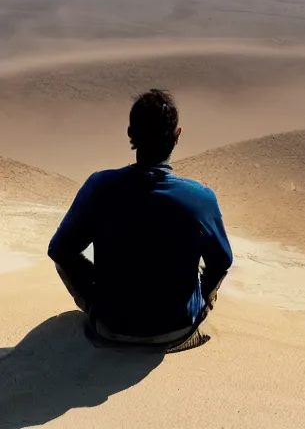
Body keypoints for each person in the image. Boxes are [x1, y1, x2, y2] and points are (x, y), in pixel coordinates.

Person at [48, 89, 233, 347]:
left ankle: (100, 311)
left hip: (109, 326)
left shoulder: (99, 187)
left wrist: (97, 291)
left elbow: (59, 250)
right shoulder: (201, 198)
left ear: (130, 133)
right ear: (177, 135)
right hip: (178, 329)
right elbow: (222, 260)